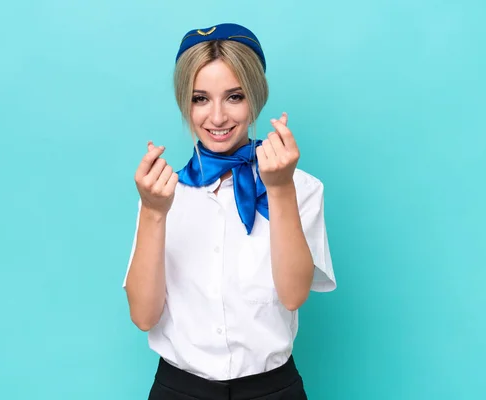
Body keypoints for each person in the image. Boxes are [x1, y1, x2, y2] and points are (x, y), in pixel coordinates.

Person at [122, 22, 336, 400]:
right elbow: (143, 316)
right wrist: (155, 213)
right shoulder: (161, 193)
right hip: (178, 389)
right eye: (200, 98)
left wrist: (280, 188)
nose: (217, 117)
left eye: (234, 96)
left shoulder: (301, 187)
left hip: (273, 389)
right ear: (184, 103)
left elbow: (293, 295)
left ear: (255, 96)